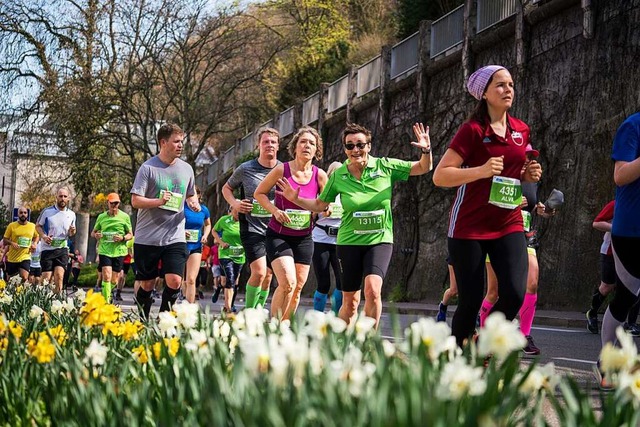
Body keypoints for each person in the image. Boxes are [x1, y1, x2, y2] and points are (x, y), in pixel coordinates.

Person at [279, 122, 432, 327]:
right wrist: (295, 199)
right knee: (350, 302)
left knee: (373, 291)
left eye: (360, 144)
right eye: (350, 146)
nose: (355, 150)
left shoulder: (384, 166)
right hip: (349, 242)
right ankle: (342, 344)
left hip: (379, 239)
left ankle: (369, 344)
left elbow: (423, 167)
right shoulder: (339, 175)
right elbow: (319, 205)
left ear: (369, 145)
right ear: (345, 149)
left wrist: (426, 150)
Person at [432, 65, 542, 346]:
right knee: (469, 301)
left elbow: (512, 171)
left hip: (508, 222)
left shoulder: (521, 130)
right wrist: (479, 170)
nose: (509, 90)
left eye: (511, 85)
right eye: (501, 85)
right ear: (484, 94)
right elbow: (441, 175)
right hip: (469, 226)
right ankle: (458, 358)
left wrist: (525, 174)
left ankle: (485, 344)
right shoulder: (472, 130)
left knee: (516, 293)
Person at [255, 127, 326, 320]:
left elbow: (325, 205)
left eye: (312, 143)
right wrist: (275, 211)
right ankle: (274, 326)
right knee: (287, 282)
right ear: (295, 147)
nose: (307, 146)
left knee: (297, 287)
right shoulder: (282, 170)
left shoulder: (320, 175)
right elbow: (259, 194)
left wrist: (324, 210)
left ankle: (284, 329)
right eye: (303, 141)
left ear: (316, 150)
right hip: (279, 235)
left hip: (304, 238)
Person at [131, 123, 199, 319]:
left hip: (175, 235)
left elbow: (191, 195)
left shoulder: (187, 169)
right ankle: (143, 319)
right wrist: (159, 201)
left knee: (175, 281)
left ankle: (163, 320)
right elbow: (135, 201)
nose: (180, 145)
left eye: (181, 142)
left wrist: (193, 203)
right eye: (176, 141)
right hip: (148, 237)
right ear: (163, 142)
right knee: (147, 284)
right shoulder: (148, 168)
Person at [598, 112, 640, 390]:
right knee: (625, 297)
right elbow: (620, 175)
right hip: (632, 230)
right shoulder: (633, 125)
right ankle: (607, 366)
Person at [222, 128, 280, 309]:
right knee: (260, 272)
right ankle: (248, 312)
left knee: (269, 275)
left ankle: (258, 311)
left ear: (278, 145)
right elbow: (226, 188)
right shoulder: (246, 169)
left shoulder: (283, 169)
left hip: (276, 228)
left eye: (272, 142)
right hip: (252, 227)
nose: (269, 145)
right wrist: (236, 204)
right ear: (258, 145)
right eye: (265, 142)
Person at [586, 201, 640, 336]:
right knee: (607, 287)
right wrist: (618, 227)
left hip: (634, 252)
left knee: (636, 287)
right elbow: (597, 223)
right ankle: (592, 313)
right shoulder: (618, 204)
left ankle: (631, 324)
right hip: (611, 250)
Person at [311, 161, 343, 314]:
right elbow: (311, 211)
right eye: (333, 174)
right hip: (320, 240)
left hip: (341, 241)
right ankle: (317, 317)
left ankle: (337, 317)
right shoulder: (322, 193)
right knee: (323, 283)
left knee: (342, 282)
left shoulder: (348, 193)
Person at [92, 193, 133, 303]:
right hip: (105, 250)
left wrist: (122, 238)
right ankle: (106, 301)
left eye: (116, 203)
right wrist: (96, 235)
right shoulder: (101, 217)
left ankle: (107, 291)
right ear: (108, 203)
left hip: (119, 251)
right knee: (106, 276)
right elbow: (93, 233)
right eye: (112, 203)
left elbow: (130, 234)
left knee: (114, 279)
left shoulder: (125, 217)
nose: (114, 205)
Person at [36, 187, 77, 294]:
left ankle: (56, 304)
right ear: (56, 198)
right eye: (60, 196)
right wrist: (44, 236)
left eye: (65, 196)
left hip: (62, 249)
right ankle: (41, 300)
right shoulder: (47, 211)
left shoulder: (72, 214)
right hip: (47, 249)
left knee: (59, 277)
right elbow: (38, 226)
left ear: (68, 199)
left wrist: (72, 231)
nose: (62, 199)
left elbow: (72, 233)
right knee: (46, 278)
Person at [212, 207, 246, 313]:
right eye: (235, 211)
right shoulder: (224, 220)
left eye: (239, 212)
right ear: (231, 211)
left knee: (234, 281)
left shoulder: (247, 222)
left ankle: (230, 303)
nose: (237, 214)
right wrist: (221, 242)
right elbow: (214, 231)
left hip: (240, 255)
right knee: (229, 279)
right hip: (225, 254)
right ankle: (228, 307)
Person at [182, 185, 211, 303]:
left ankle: (189, 307)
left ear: (199, 196)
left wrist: (205, 235)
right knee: (179, 279)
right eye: (188, 194)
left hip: (196, 246)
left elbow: (208, 224)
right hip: (180, 245)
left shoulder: (204, 210)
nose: (190, 197)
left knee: (191, 279)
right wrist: (182, 232)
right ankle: (178, 301)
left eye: (193, 194)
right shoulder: (181, 208)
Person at [3, 206, 39, 282]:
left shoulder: (32, 226)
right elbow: (5, 240)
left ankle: (22, 292)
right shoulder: (11, 226)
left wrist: (35, 243)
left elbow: (37, 236)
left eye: (25, 213)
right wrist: (12, 243)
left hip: (25, 256)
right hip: (13, 258)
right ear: (18, 214)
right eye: (21, 213)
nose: (23, 214)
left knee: (24, 277)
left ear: (27, 214)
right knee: (11, 281)